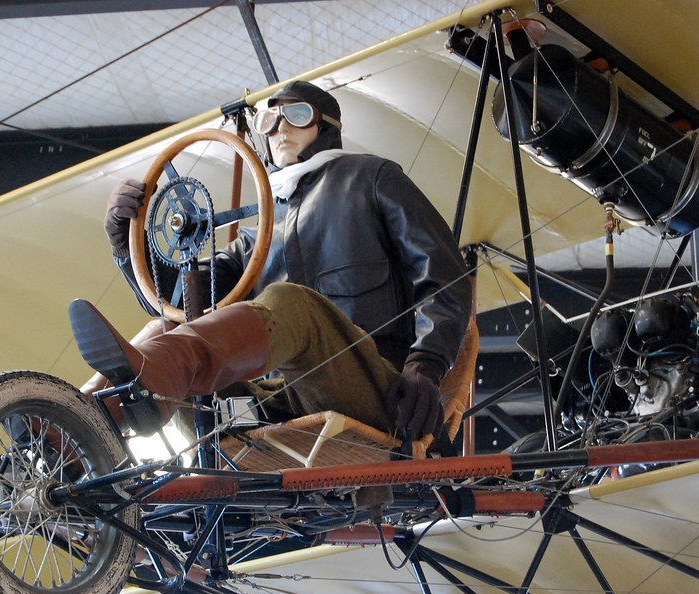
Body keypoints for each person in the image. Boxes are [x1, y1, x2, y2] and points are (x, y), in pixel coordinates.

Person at [73, 80, 471, 442]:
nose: (280, 127)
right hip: (275, 405)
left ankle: (158, 382)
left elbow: (445, 275)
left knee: (288, 303)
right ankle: (74, 422)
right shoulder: (259, 235)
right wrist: (128, 243)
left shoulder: (372, 178)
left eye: (297, 115)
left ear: (326, 125)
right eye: (268, 119)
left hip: (377, 393)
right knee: (162, 328)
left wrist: (426, 364)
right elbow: (182, 301)